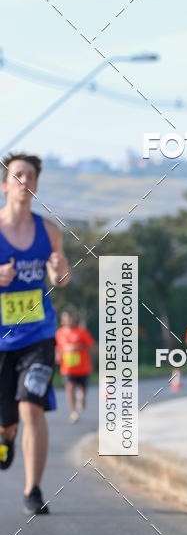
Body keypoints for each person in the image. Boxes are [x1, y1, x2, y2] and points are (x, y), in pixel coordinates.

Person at [0, 152, 71, 514]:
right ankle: (6, 436)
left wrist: (60, 270)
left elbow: (59, 279)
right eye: (18, 175)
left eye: (30, 175)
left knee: (31, 407)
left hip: (38, 335)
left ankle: (33, 490)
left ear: (36, 185)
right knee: (7, 422)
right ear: (5, 184)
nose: (24, 181)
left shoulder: (50, 231)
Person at [55, 308, 94, 423]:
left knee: (83, 389)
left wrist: (77, 347)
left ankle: (82, 399)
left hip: (83, 368)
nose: (67, 320)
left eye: (69, 318)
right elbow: (57, 347)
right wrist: (57, 355)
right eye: (65, 318)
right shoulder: (59, 333)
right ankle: (73, 412)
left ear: (73, 319)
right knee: (69, 388)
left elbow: (91, 346)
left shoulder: (82, 332)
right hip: (67, 368)